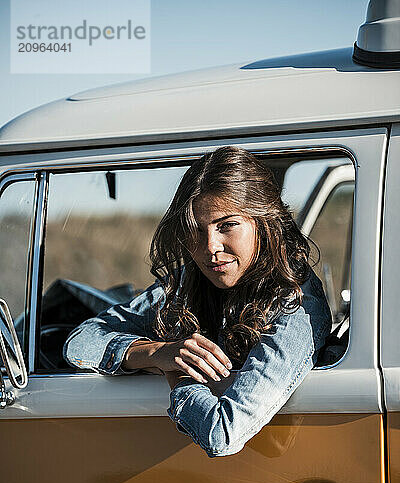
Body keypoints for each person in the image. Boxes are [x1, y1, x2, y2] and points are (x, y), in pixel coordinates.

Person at [63, 146, 332, 458]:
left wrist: (180, 376)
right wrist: (158, 353)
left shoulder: (296, 305)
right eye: (195, 230)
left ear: (263, 221)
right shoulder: (189, 281)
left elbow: (223, 434)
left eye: (227, 225)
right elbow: (79, 344)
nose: (210, 247)